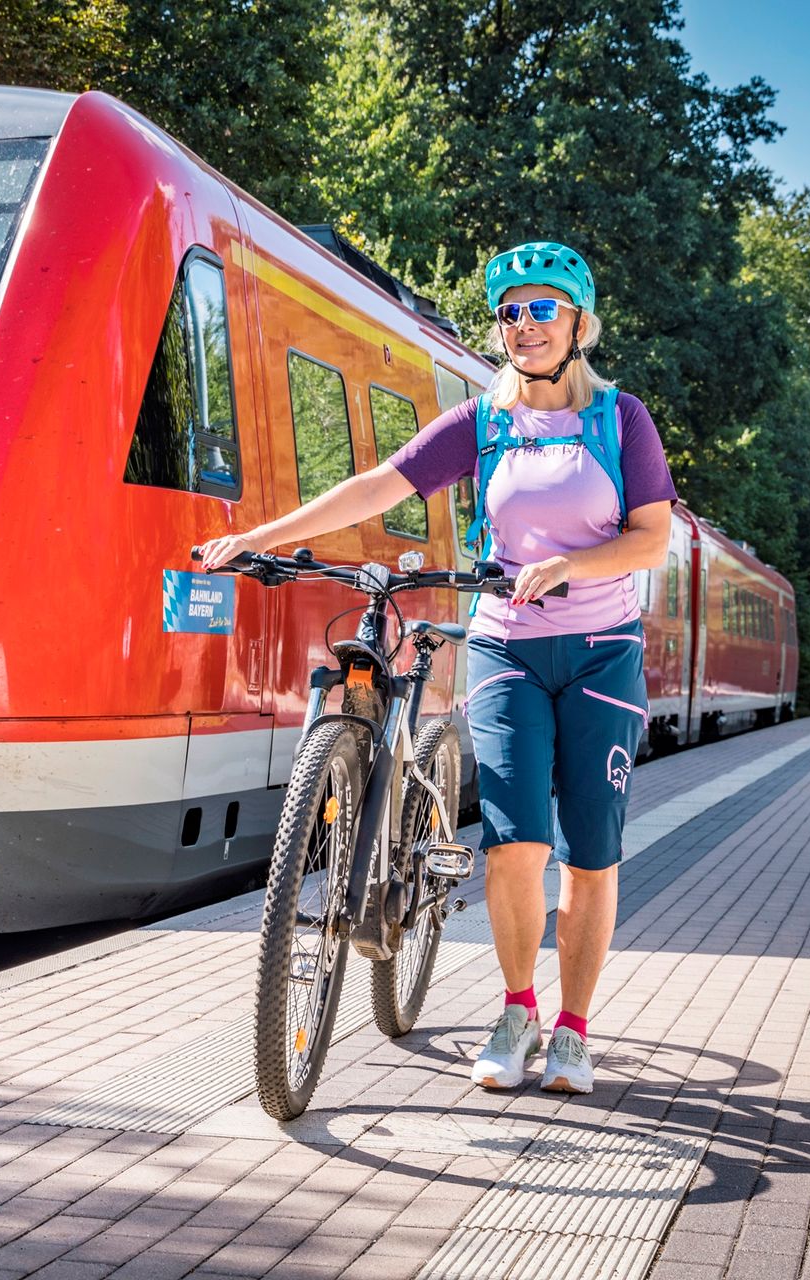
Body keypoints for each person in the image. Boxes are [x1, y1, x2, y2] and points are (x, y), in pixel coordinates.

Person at [198, 242, 675, 1094]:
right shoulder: (484, 421)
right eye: (510, 313)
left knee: (592, 856)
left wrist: (570, 565)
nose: (523, 327)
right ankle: (519, 1007)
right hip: (506, 649)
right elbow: (376, 487)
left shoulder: (621, 419)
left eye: (542, 311)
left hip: (603, 653)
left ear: (578, 325)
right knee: (511, 848)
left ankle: (573, 1028)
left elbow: (651, 536)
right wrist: (259, 538)